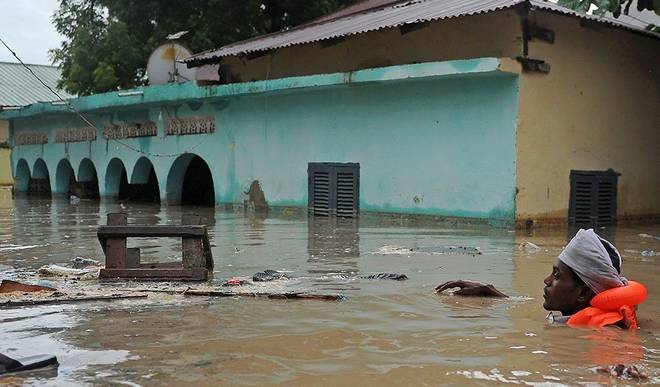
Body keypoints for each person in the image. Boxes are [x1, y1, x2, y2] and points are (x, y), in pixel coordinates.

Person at [435, 228, 648, 378]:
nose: (546, 281)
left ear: (582, 293)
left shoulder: (604, 330)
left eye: (556, 276)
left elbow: (617, 358)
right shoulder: (580, 315)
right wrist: (493, 294)